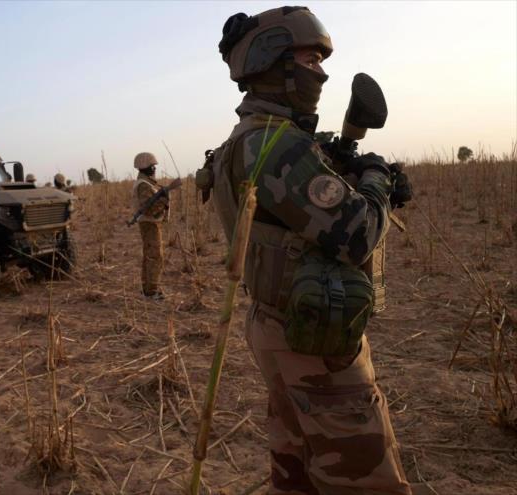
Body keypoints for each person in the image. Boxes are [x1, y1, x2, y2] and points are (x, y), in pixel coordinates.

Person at [204, 6, 414, 494]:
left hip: (280, 322)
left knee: (296, 468)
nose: (320, 72)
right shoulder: (275, 144)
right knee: (363, 477)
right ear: (272, 62)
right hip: (313, 337)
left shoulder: (253, 137)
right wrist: (377, 180)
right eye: (310, 59)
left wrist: (347, 170)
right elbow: (358, 233)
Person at [132, 152, 168, 299]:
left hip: (149, 222)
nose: (154, 169)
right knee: (154, 256)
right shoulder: (144, 185)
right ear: (145, 166)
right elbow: (148, 208)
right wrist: (163, 201)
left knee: (150, 255)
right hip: (149, 223)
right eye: (152, 166)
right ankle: (152, 291)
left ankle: (147, 288)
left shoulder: (146, 183)